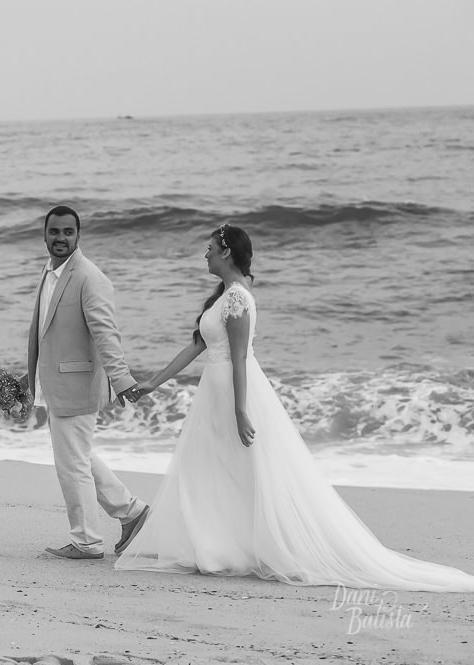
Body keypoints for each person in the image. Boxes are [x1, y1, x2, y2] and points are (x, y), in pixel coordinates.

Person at [115, 224, 474, 591]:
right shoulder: (223, 297)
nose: (204, 254)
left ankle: (231, 548)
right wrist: (152, 383)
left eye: (209, 248)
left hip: (233, 390)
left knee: (243, 467)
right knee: (212, 466)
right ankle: (215, 544)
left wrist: (240, 411)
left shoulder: (238, 299)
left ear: (226, 252)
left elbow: (239, 359)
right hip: (214, 390)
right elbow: (197, 346)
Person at [27, 205, 150, 560]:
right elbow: (45, 331)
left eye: (68, 232)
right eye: (54, 232)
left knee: (72, 465)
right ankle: (133, 513)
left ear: (79, 235)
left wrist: (123, 380)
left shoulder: (89, 277)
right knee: (79, 457)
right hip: (56, 383)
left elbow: (105, 333)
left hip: (77, 385)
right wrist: (30, 374)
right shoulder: (49, 271)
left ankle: (86, 541)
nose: (60, 238)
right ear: (45, 234)